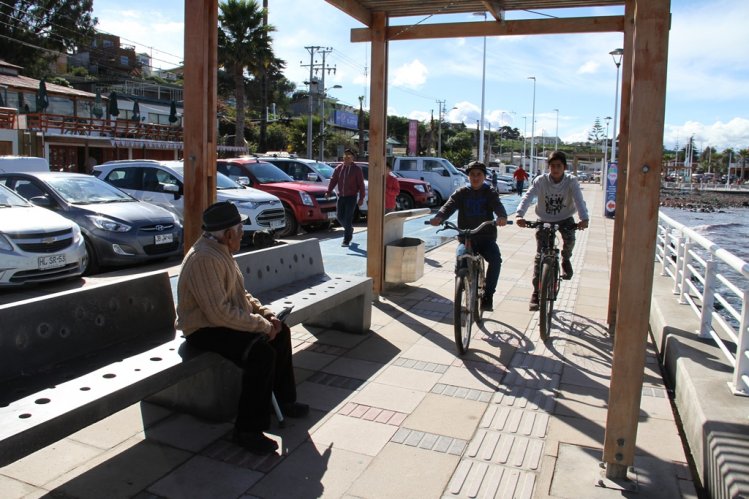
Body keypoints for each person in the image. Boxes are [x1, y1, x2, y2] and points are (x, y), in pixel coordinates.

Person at [176, 201, 308, 455]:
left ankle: (283, 400)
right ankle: (247, 430)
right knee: (260, 354)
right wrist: (260, 326)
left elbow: (240, 294)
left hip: (221, 321)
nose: (243, 233)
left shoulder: (220, 250)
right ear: (227, 234)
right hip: (203, 329)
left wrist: (266, 314)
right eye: (240, 229)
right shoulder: (204, 258)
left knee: (281, 333)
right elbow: (218, 313)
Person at [429, 161, 508, 312]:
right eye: (472, 174)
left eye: (479, 174)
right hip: (467, 238)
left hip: (486, 237)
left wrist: (502, 217)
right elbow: (449, 206)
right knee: (460, 258)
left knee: (496, 259)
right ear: (468, 176)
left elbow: (498, 206)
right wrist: (439, 217)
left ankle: (488, 295)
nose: (475, 177)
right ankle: (463, 283)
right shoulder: (461, 193)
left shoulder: (489, 192)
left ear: (484, 176)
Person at [515, 150, 589, 311]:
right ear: (548, 167)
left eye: (559, 166)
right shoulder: (541, 181)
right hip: (544, 218)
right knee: (539, 256)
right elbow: (528, 197)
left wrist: (584, 219)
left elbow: (579, 199)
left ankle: (565, 259)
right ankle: (536, 292)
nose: (555, 169)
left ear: (564, 167)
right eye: (552, 166)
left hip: (565, 217)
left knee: (569, 240)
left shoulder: (571, 181)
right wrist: (519, 215)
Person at [327, 148, 366, 246]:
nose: (346, 158)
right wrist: (328, 191)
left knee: (348, 218)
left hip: (352, 197)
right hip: (341, 197)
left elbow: (361, 185)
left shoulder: (357, 169)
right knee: (339, 216)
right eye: (345, 156)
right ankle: (350, 229)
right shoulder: (339, 168)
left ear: (353, 158)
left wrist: (361, 198)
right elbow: (333, 180)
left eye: (349, 156)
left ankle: (346, 239)